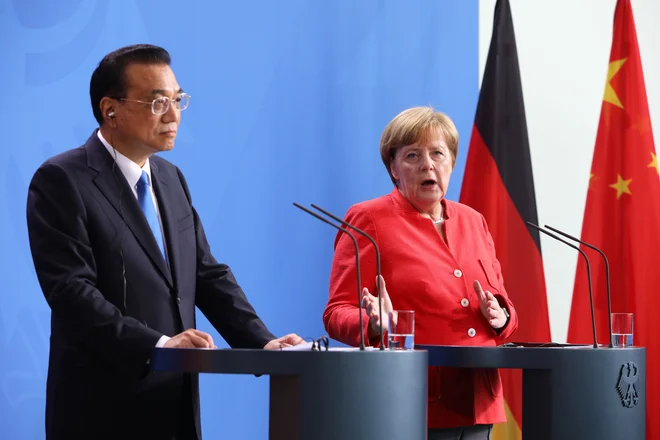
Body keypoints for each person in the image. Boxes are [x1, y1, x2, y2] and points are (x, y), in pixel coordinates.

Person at [25, 44, 303, 440]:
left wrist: (263, 343)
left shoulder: (170, 179)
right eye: (157, 103)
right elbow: (71, 292)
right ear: (110, 110)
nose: (173, 116)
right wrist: (158, 345)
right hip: (101, 408)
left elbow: (205, 274)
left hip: (175, 407)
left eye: (177, 100)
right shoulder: (62, 180)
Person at [323, 106, 519, 440]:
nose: (428, 164)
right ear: (394, 169)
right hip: (412, 399)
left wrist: (501, 317)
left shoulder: (473, 220)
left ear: (451, 163)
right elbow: (336, 312)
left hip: (478, 399)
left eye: (437, 154)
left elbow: (502, 303)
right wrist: (371, 322)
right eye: (413, 155)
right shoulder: (368, 219)